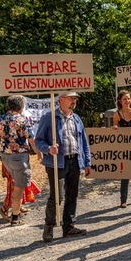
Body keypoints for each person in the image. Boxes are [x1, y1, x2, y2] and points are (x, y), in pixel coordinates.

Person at [36, 91, 91, 241]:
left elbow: (84, 142)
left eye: (75, 98)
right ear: (61, 99)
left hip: (74, 160)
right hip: (57, 162)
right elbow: (38, 141)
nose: (74, 101)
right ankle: (49, 227)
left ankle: (69, 227)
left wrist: (87, 162)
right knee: (57, 196)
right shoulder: (49, 118)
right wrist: (48, 149)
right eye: (71, 98)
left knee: (72, 194)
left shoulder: (76, 119)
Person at [0, 95, 42, 225]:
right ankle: (15, 218)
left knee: (15, 184)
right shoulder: (22, 120)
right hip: (20, 157)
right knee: (19, 187)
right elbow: (32, 139)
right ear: (21, 107)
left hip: (5, 157)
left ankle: (14, 211)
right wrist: (39, 152)